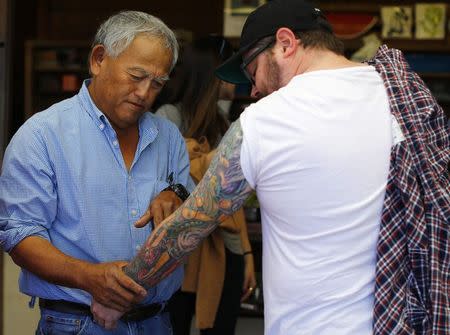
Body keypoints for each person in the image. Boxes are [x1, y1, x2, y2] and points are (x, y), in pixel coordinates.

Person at [91, 0, 450, 334]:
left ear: (285, 43)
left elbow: (189, 225)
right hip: (400, 322)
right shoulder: (404, 100)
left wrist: (119, 294)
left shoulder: (268, 121)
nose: (255, 89)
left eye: (254, 71)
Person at [0, 10, 193, 335]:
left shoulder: (168, 137)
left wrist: (177, 194)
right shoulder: (42, 135)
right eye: (136, 76)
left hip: (157, 322)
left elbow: (188, 205)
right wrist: (89, 276)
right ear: (99, 60)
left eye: (157, 83)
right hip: (74, 323)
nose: (145, 93)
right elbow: (19, 235)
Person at [154, 35, 257, 335]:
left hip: (227, 250)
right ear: (213, 71)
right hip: (181, 254)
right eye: (231, 65)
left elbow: (233, 198)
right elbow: (168, 185)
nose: (241, 74)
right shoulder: (167, 118)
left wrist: (247, 253)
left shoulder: (224, 121)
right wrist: (216, 159)